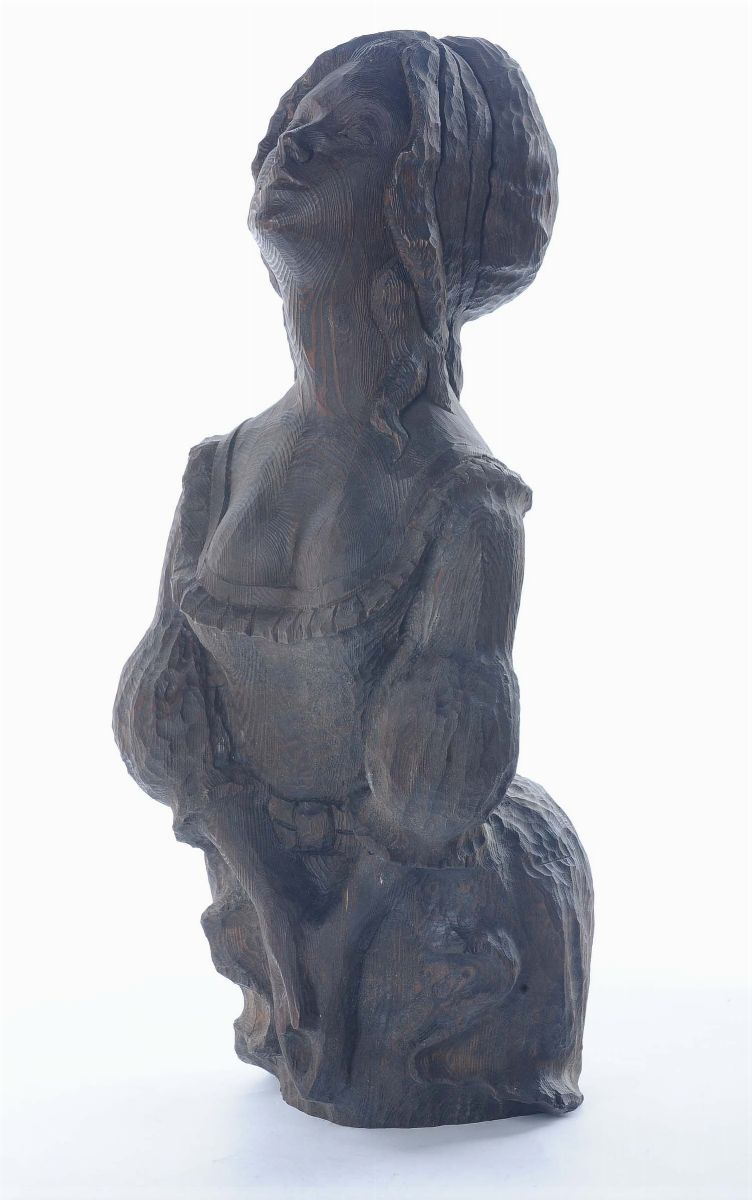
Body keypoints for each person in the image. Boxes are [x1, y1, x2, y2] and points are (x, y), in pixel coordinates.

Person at [113, 30, 592, 1127]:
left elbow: (430, 800)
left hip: (443, 925)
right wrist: (278, 918)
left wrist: (320, 941)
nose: (298, 145)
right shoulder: (217, 471)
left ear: (419, 207)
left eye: (356, 131)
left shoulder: (464, 498)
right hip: (269, 909)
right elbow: (174, 743)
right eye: (295, 123)